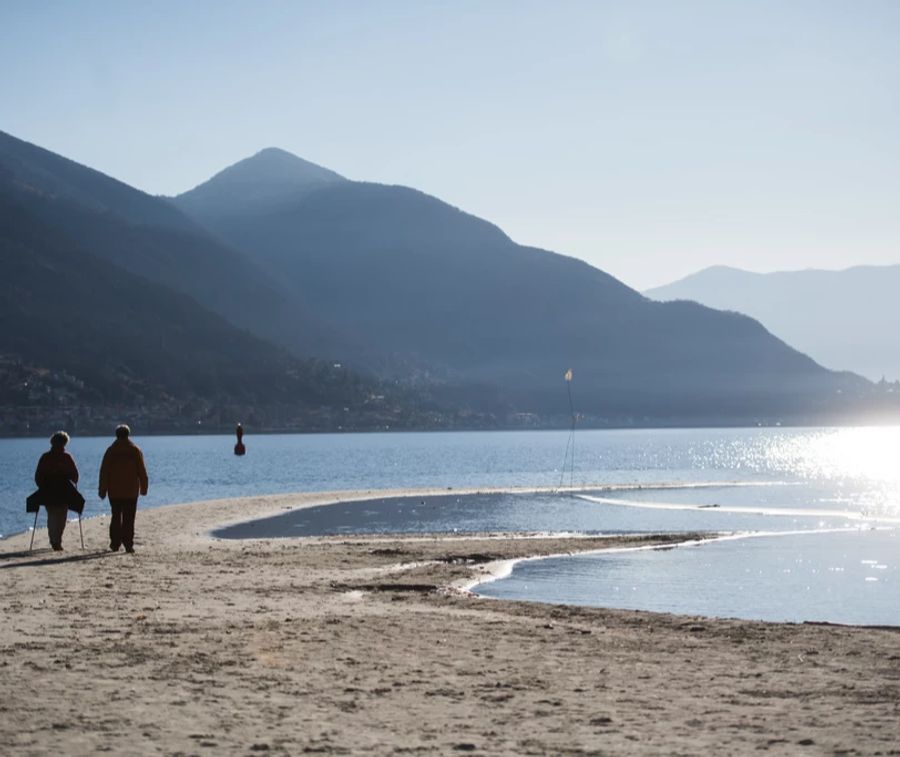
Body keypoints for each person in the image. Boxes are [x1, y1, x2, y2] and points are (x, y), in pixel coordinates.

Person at [98, 424, 149, 553]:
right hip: (131, 491)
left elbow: (104, 471)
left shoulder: (111, 451)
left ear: (116, 435)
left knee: (116, 516)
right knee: (129, 518)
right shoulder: (134, 450)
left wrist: (102, 489)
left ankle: (115, 543)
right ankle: (128, 544)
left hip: (114, 491)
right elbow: (142, 471)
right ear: (128, 434)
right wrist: (144, 488)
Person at [32, 431, 81, 550]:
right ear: (65, 443)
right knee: (61, 516)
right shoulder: (66, 457)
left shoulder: (46, 457)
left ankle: (54, 539)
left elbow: (38, 476)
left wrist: (42, 487)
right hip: (64, 491)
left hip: (49, 490)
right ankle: (57, 540)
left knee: (52, 515)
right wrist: (73, 480)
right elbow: (75, 475)